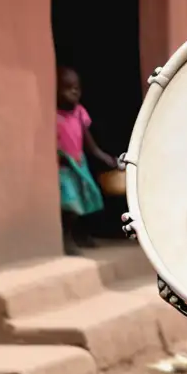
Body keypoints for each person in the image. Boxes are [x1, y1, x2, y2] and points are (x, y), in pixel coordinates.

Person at [56, 66, 117, 250]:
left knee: (88, 198)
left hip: (79, 163)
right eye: (67, 87)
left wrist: (104, 157)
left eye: (77, 87)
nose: (74, 91)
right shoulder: (54, 116)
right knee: (69, 204)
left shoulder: (80, 113)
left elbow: (89, 143)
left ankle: (82, 235)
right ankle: (67, 240)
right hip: (65, 167)